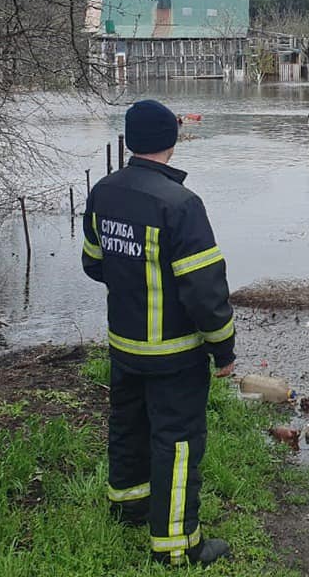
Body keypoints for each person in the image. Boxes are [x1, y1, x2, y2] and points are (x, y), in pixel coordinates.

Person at [81, 99, 236, 567]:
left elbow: (93, 263)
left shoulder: (104, 192)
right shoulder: (182, 205)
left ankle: (128, 506)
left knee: (128, 426)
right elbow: (205, 291)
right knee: (178, 440)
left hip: (124, 345)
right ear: (173, 141)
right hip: (174, 354)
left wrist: (134, 280)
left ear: (129, 141)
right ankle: (176, 546)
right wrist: (223, 350)